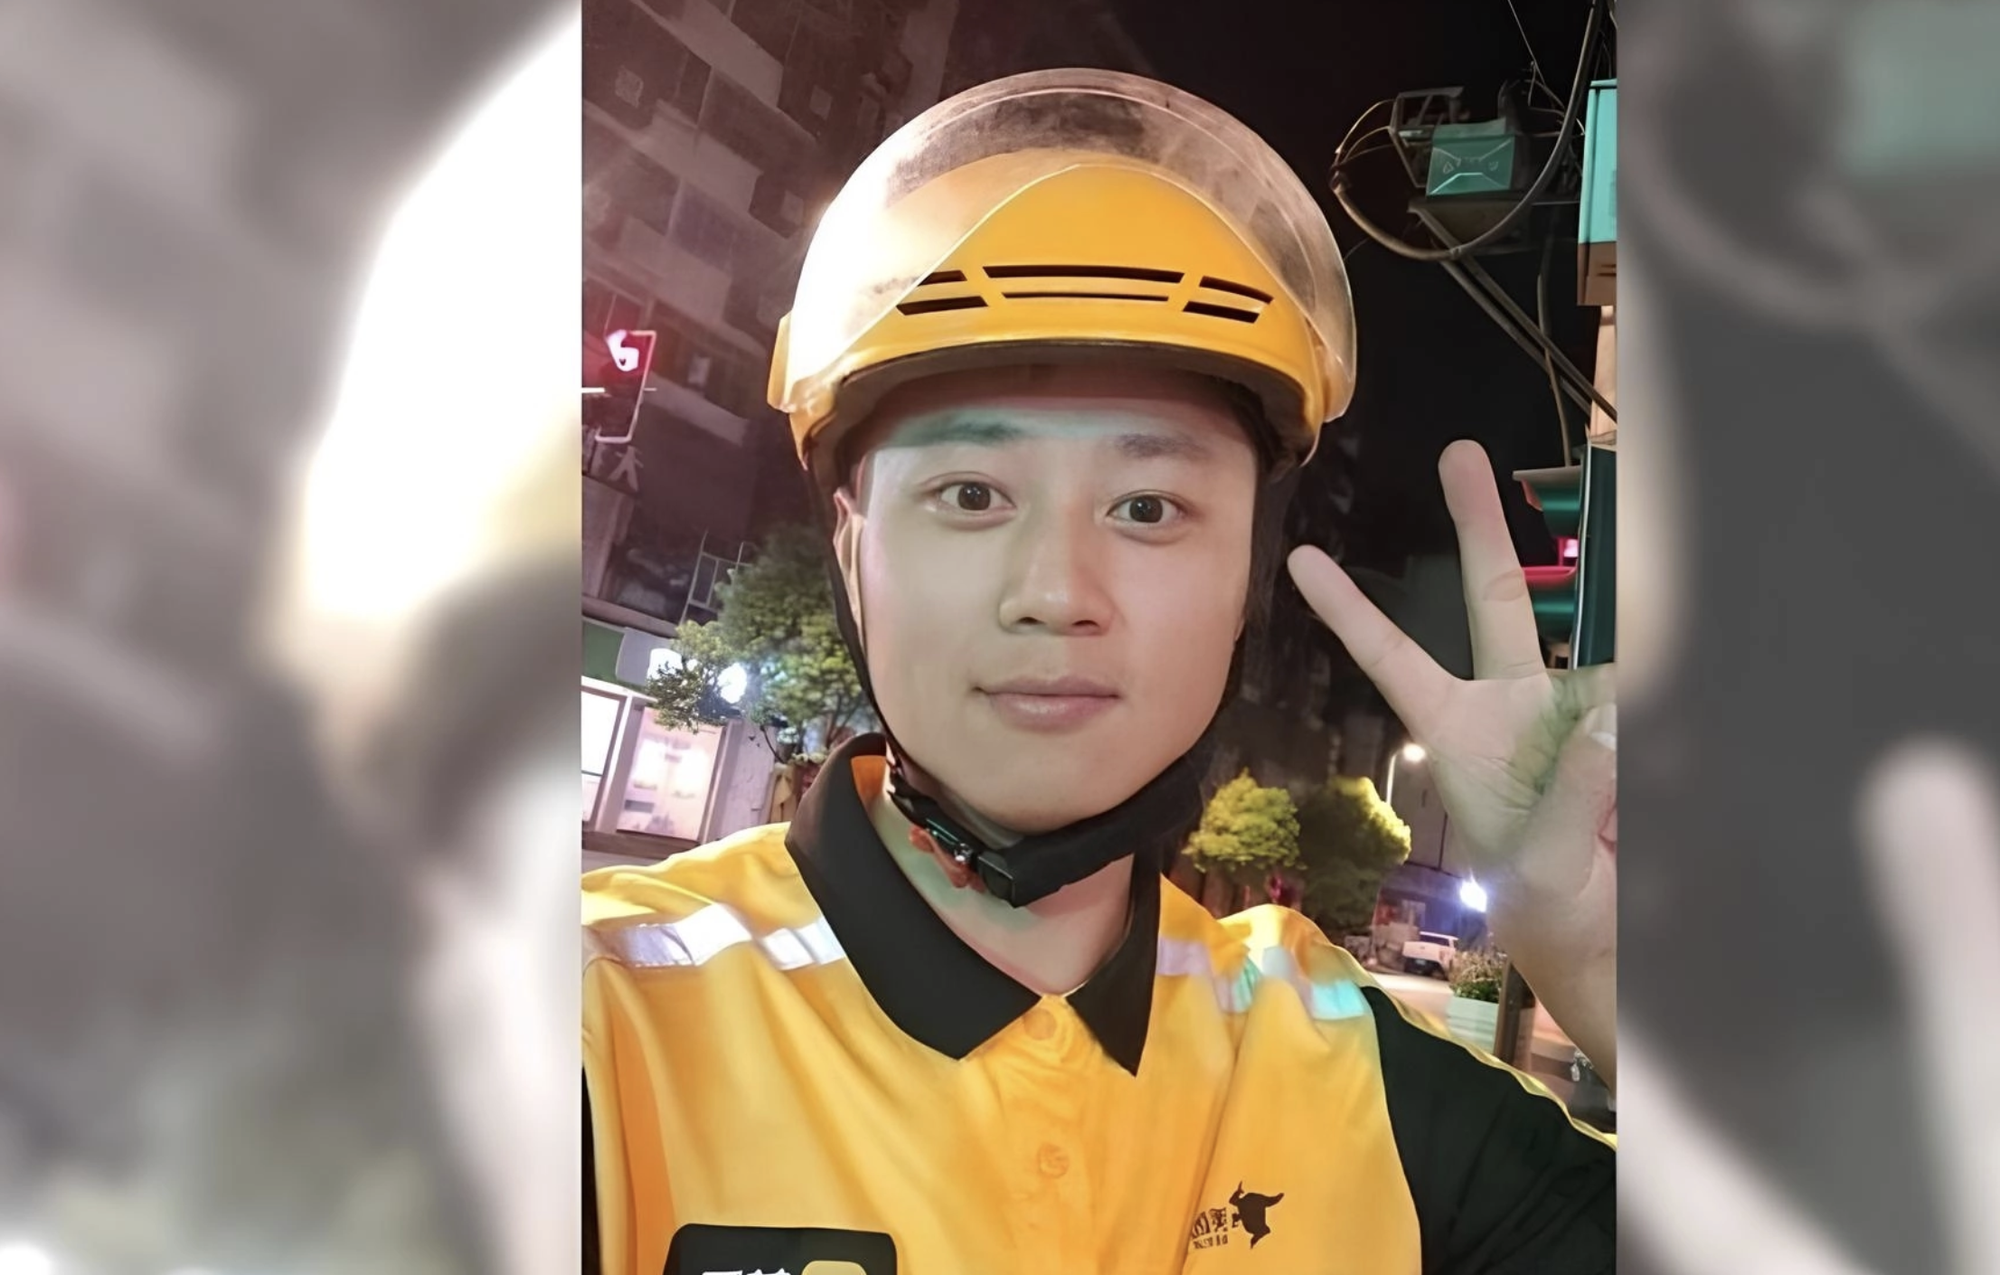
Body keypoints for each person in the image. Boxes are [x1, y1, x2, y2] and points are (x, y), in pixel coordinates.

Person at [584, 68, 1616, 1275]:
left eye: (1146, 506)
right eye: (970, 494)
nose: (1056, 592)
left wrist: (1628, 992)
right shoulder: (595, 1025)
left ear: (1245, 576)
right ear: (853, 546)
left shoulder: (1350, 1066)